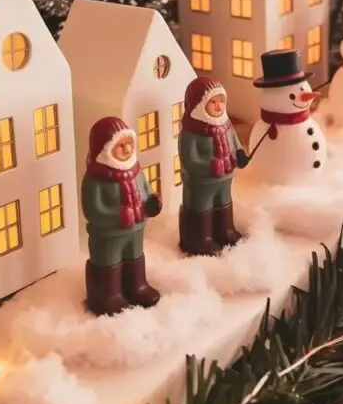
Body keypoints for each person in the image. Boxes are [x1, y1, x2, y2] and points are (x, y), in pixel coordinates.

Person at [81, 116, 161, 316]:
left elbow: (145, 190)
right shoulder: (95, 179)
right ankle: (108, 296)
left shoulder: (135, 171)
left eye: (129, 144)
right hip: (109, 236)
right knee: (110, 263)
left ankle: (136, 287)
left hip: (135, 230)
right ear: (105, 149)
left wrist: (152, 202)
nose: (127, 150)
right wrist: (119, 215)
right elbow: (94, 210)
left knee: (134, 258)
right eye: (120, 145)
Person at [178, 77, 248, 256]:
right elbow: (190, 159)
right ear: (199, 105)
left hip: (224, 179)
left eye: (222, 101)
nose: (219, 106)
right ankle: (202, 239)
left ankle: (225, 231)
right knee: (204, 208)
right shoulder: (191, 131)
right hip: (201, 185)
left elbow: (235, 141)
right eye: (212, 102)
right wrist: (210, 166)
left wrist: (239, 154)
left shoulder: (225, 125)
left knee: (223, 203)